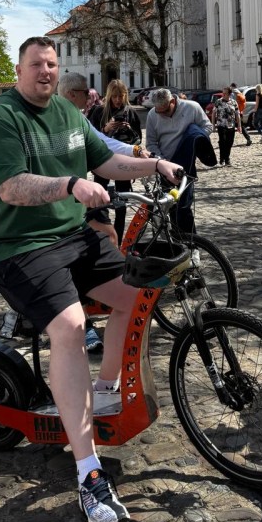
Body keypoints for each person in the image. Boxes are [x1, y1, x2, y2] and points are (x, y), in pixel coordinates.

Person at [0, 37, 182, 522]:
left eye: (51, 64)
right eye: (36, 64)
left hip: (69, 234)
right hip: (14, 244)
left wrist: (152, 165)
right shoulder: (3, 118)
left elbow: (105, 162)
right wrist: (69, 185)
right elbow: (11, 188)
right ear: (19, 69)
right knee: (68, 326)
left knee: (138, 296)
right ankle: (88, 473)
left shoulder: (67, 115)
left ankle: (104, 390)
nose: (45, 71)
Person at [59, 72, 151, 356]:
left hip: (81, 196)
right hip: (62, 201)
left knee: (109, 235)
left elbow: (103, 146)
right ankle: (83, 322)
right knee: (74, 260)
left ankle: (100, 298)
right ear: (72, 94)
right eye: (86, 92)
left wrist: (139, 153)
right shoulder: (61, 118)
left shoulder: (78, 118)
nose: (91, 97)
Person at [145, 87, 215, 234]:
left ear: (173, 101)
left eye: (165, 110)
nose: (162, 114)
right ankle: (177, 244)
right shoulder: (153, 115)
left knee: (184, 206)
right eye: (159, 111)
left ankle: (191, 243)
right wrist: (161, 161)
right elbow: (151, 143)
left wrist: (193, 138)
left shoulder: (192, 108)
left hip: (186, 165)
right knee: (171, 206)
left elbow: (207, 126)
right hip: (165, 166)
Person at [87, 79, 142, 244]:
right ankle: (102, 235)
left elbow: (137, 139)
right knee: (99, 200)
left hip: (123, 161)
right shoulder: (98, 112)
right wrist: (106, 129)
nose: (118, 99)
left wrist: (130, 131)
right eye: (115, 96)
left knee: (122, 202)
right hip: (103, 160)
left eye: (121, 96)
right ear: (109, 96)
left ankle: (117, 239)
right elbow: (90, 136)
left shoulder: (130, 113)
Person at [213, 88, 239, 167]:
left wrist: (239, 125)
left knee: (230, 142)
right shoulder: (218, 102)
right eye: (222, 93)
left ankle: (227, 158)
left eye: (225, 93)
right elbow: (214, 113)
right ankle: (222, 159)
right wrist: (213, 124)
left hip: (231, 125)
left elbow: (237, 114)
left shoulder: (234, 102)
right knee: (222, 141)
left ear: (229, 94)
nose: (223, 95)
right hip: (221, 125)